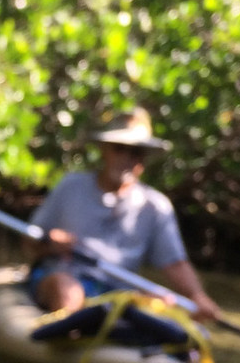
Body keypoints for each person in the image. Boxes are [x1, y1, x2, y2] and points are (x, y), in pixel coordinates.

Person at [26, 106, 221, 322]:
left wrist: (197, 296)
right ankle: (72, 329)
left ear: (144, 159)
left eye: (136, 152)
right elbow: (28, 242)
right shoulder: (71, 186)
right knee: (69, 291)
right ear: (104, 149)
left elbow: (175, 264)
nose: (127, 158)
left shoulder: (155, 206)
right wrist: (49, 242)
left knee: (160, 301)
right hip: (63, 275)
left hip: (117, 290)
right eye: (119, 148)